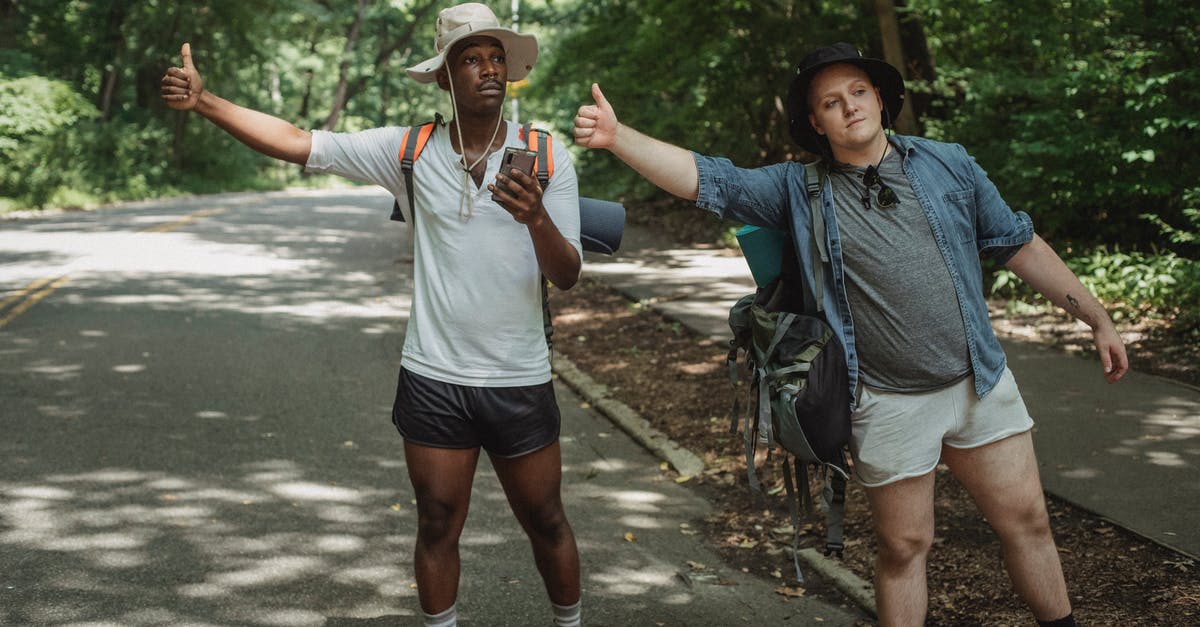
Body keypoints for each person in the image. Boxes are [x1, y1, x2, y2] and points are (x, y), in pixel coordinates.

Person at [574, 42, 1128, 627]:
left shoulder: (949, 164)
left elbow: (1018, 242)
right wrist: (616, 136)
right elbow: (711, 180)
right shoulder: (797, 188)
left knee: (1030, 525)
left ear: (882, 98)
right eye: (831, 102)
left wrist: (1096, 316)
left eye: (859, 92)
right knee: (904, 549)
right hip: (886, 401)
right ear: (817, 122)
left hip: (980, 384)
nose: (850, 107)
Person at [161, 4, 583, 626]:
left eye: (496, 58)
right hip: (434, 376)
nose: (488, 69)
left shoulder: (546, 157)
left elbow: (568, 274)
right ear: (445, 77)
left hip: (518, 375)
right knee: (437, 521)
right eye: (471, 59)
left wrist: (536, 218)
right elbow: (302, 143)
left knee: (546, 520)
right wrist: (207, 103)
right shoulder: (408, 150)